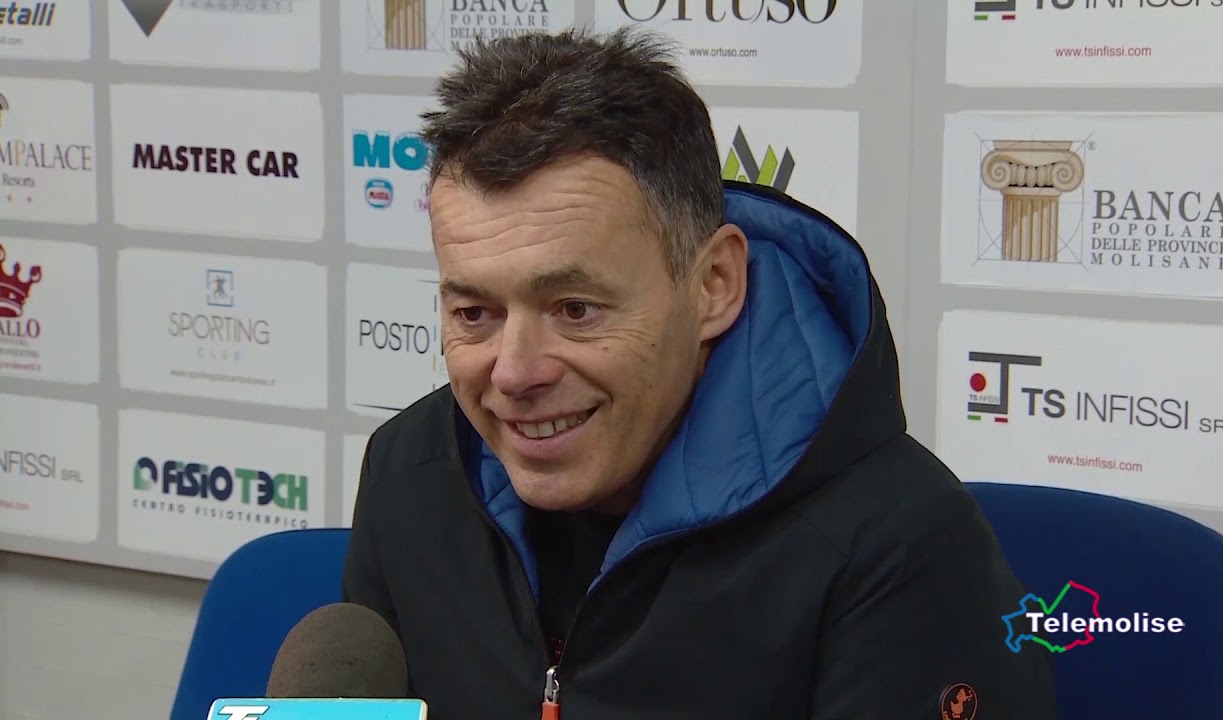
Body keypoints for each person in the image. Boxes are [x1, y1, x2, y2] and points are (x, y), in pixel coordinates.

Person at [342, 27, 1057, 720]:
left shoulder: (897, 542)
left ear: (714, 284)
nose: (515, 372)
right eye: (474, 313)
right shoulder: (408, 475)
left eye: (576, 309)